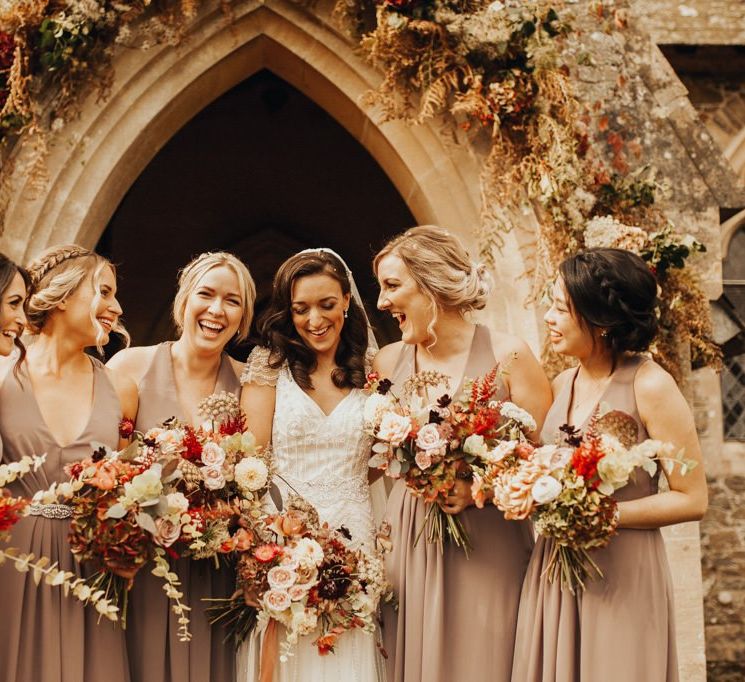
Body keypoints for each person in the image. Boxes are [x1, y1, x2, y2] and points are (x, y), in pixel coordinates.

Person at [511, 247, 708, 682]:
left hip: (622, 574)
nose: (548, 317)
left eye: (560, 308)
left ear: (600, 322)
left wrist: (600, 514)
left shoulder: (651, 385)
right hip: (555, 569)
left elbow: (693, 499)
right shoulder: (563, 382)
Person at [373, 225, 552, 682]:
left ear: (432, 285)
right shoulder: (388, 362)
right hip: (409, 541)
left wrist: (484, 488)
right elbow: (372, 459)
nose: (381, 302)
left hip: (489, 543)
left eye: (392, 286)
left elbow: (550, 464)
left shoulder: (510, 355)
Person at [237, 248, 385, 682]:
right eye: (301, 309)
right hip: (282, 538)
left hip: (356, 539)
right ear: (288, 311)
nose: (314, 319)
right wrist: (265, 547)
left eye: (326, 305)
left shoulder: (373, 371)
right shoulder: (270, 365)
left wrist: (348, 491)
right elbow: (251, 463)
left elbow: (381, 459)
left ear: (346, 301)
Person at [108, 251, 256, 682]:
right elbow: (108, 470)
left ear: (243, 316)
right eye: (205, 295)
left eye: (232, 301)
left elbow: (259, 481)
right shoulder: (130, 367)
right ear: (183, 301)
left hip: (216, 574)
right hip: (144, 568)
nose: (216, 310)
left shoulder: (251, 385)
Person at [0, 244, 137, 682]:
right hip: (11, 560)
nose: (115, 307)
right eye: (104, 291)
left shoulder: (120, 386)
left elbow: (129, 482)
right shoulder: (3, 371)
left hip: (89, 569)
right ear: (63, 296)